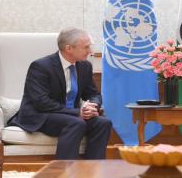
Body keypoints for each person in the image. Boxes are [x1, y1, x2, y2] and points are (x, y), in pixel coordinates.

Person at [8, 27, 112, 160]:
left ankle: (92, 170)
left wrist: (92, 106)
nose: (90, 51)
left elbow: (93, 94)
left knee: (103, 123)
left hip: (70, 115)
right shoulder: (41, 66)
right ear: (69, 48)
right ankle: (65, 172)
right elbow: (41, 102)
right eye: (86, 47)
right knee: (76, 123)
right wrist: (77, 112)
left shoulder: (84, 66)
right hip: (41, 115)